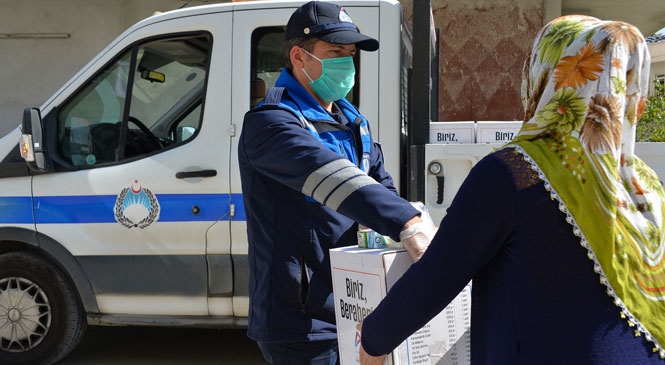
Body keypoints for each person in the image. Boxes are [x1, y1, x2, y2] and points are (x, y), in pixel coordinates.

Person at [360, 15, 665, 364]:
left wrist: (372, 341)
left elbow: (437, 277)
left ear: (547, 75)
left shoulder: (514, 172)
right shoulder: (643, 182)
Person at [237, 2, 435, 364]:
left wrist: (408, 223)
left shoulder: (351, 120)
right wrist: (407, 222)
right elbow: (333, 178)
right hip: (301, 321)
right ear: (299, 56)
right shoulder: (270, 125)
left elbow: (380, 186)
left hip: (355, 307)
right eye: (335, 52)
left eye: (350, 53)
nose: (347, 63)